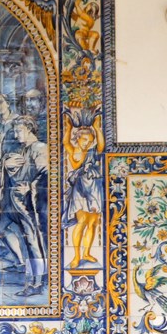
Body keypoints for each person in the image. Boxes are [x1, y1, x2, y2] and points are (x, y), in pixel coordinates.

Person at [0, 116, 48, 296]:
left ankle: (36, 283)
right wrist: (4, 165)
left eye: (19, 131)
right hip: (12, 201)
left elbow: (47, 175)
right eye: (15, 131)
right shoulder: (20, 149)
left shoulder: (39, 149)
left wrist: (31, 188)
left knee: (32, 241)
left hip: (27, 203)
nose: (16, 135)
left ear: (29, 129)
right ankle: (20, 262)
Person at [62, 111, 105, 268]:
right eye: (84, 139)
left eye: (90, 140)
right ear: (78, 138)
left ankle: (86, 253)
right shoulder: (73, 151)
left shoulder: (93, 152)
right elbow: (65, 141)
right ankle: (76, 256)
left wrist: (97, 128)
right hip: (80, 188)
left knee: (93, 223)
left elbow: (101, 146)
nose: (87, 143)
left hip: (94, 188)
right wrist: (68, 128)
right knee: (81, 222)